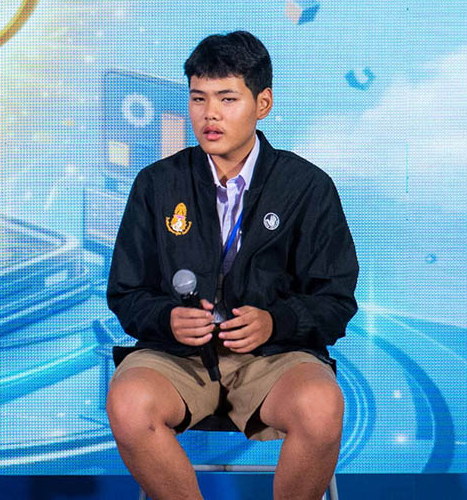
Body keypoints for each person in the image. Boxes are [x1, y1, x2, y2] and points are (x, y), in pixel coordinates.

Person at [106, 31, 358, 500]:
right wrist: (167, 318)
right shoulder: (157, 183)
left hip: (276, 356)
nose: (210, 114)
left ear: (263, 104)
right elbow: (126, 291)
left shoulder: (306, 186)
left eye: (227, 98)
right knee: (127, 401)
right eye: (198, 98)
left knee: (322, 406)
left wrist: (276, 321)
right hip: (175, 357)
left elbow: (336, 299)